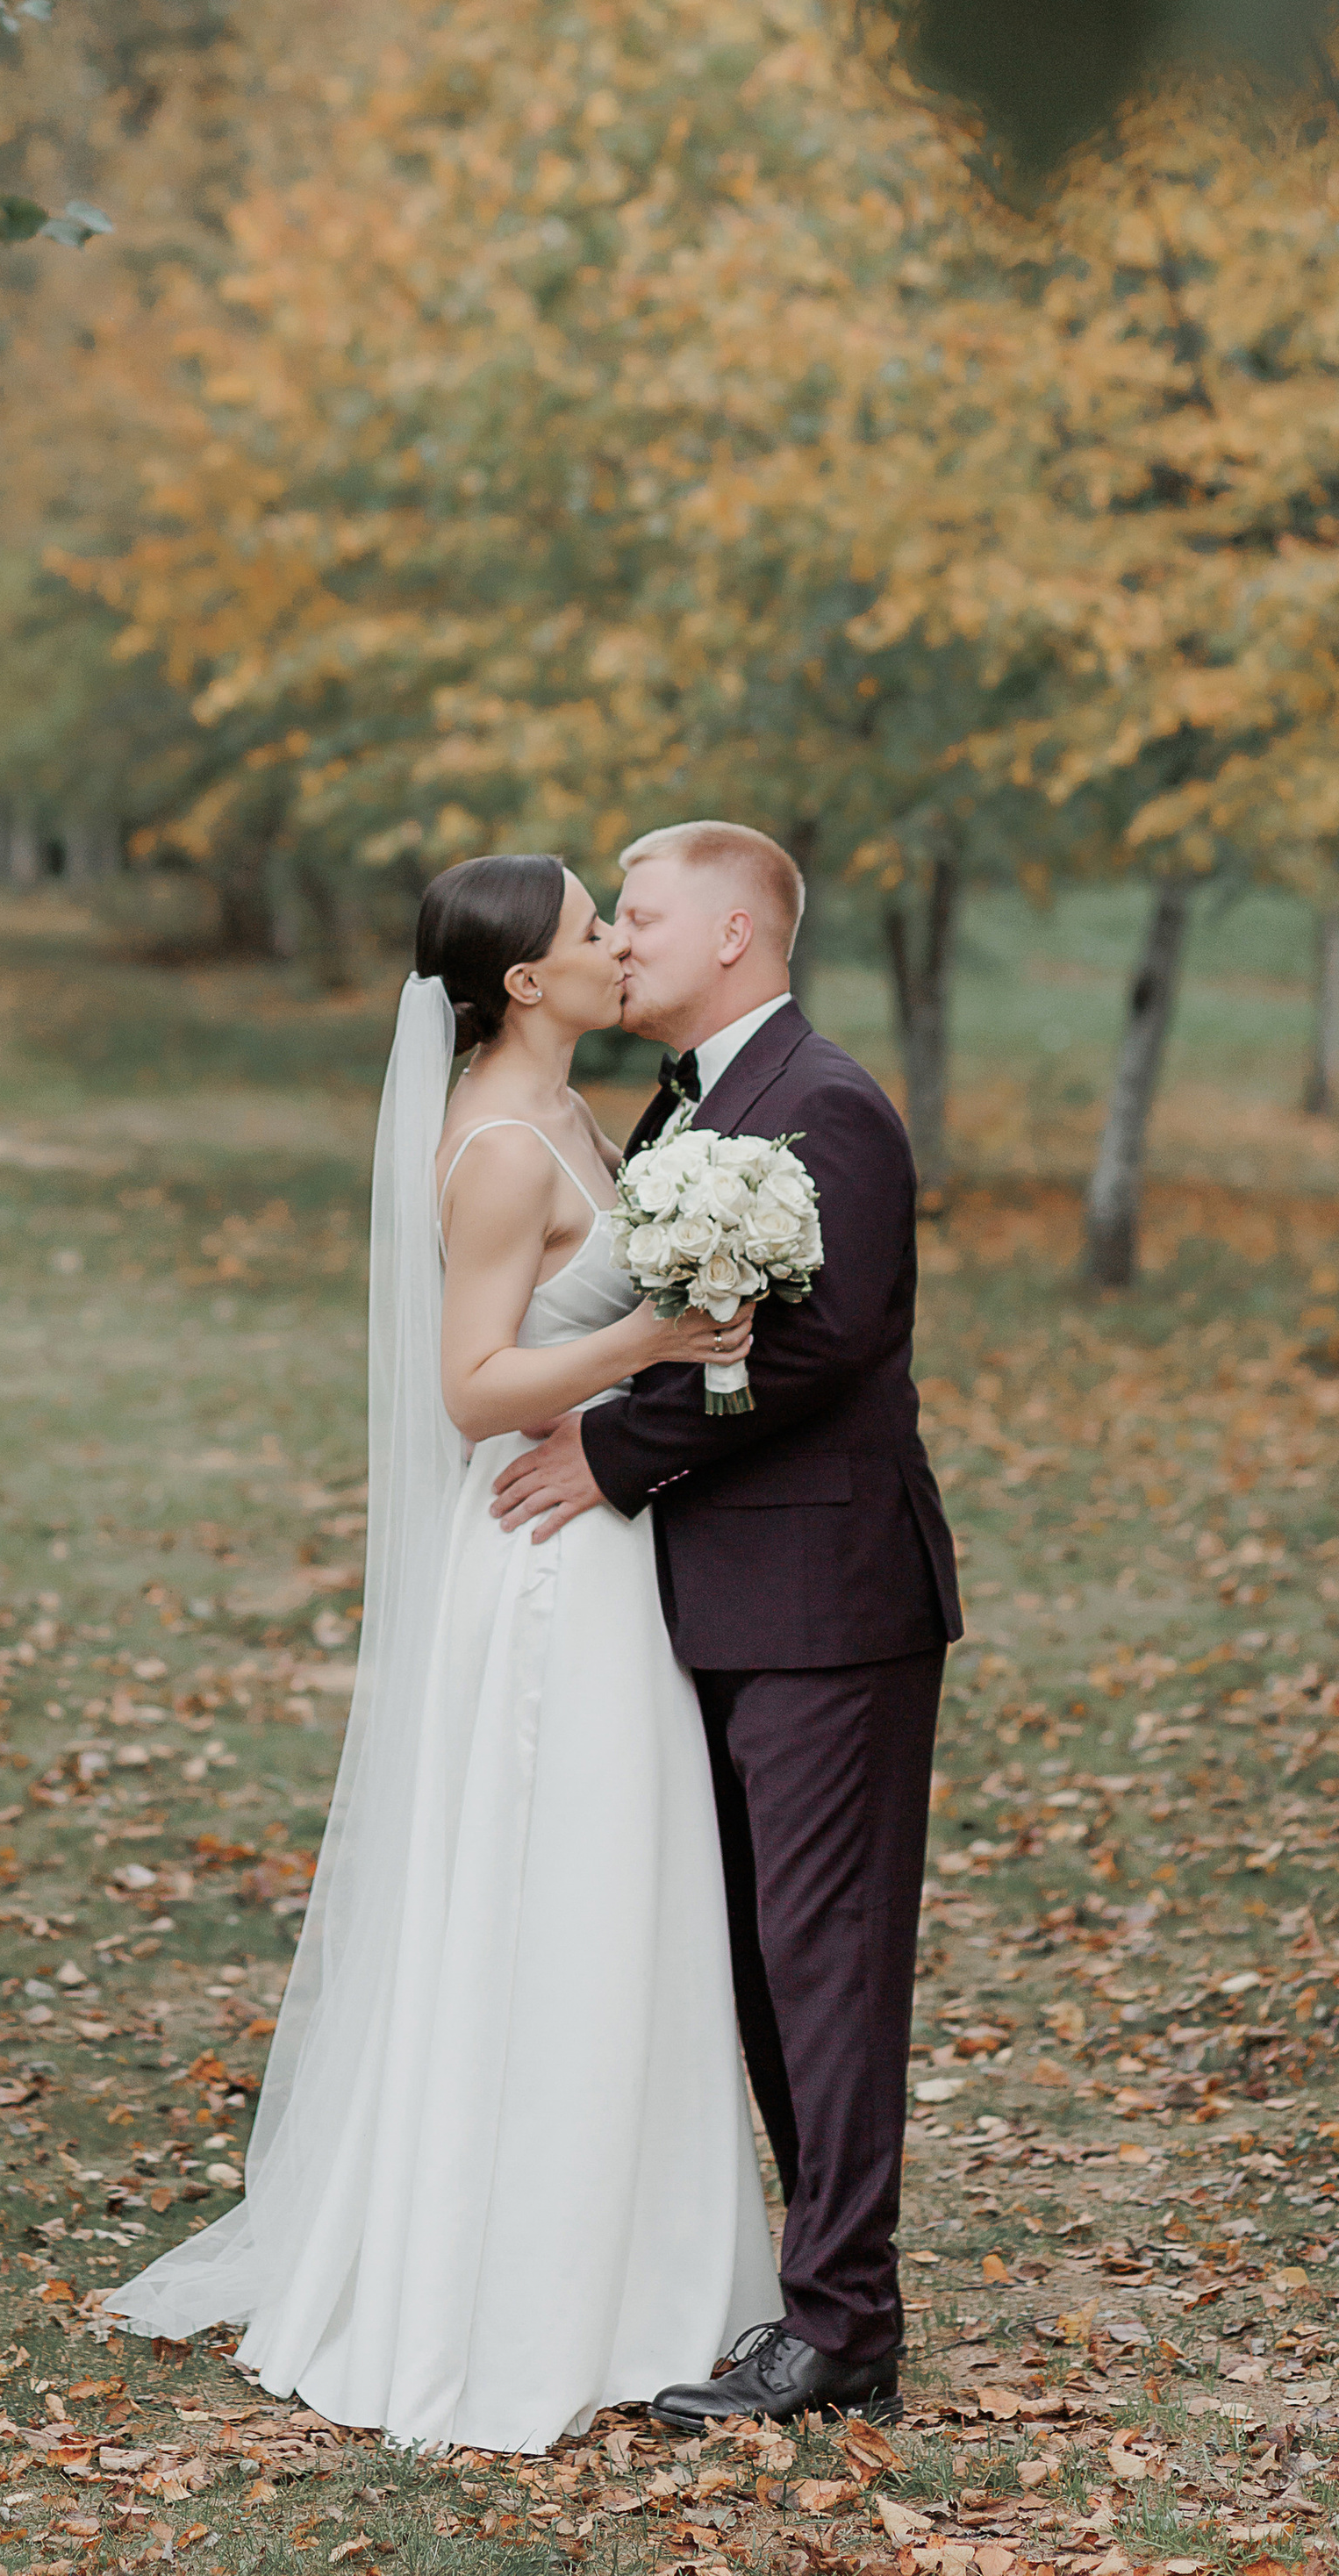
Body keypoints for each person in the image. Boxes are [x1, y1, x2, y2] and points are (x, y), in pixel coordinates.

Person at [104, 852, 779, 2451]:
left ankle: (648, 2272)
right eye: (589, 931)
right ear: (527, 985)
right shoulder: (491, 1142)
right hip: (542, 1561)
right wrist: (655, 1339)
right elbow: (471, 1385)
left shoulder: (573, 1110)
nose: (619, 947)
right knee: (555, 1889)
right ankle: (521, 2293)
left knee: (625, 1889)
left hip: (603, 1544)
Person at [491, 819, 963, 2430]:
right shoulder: (688, 1102)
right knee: (761, 1970)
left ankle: (845, 2329)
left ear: (739, 938)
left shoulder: (824, 1106)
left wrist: (613, 1449)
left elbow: (823, 1347)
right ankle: (810, 2294)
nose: (620, 942)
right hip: (717, 1599)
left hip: (829, 1602)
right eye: (610, 920)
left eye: (642, 915)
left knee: (823, 1968)